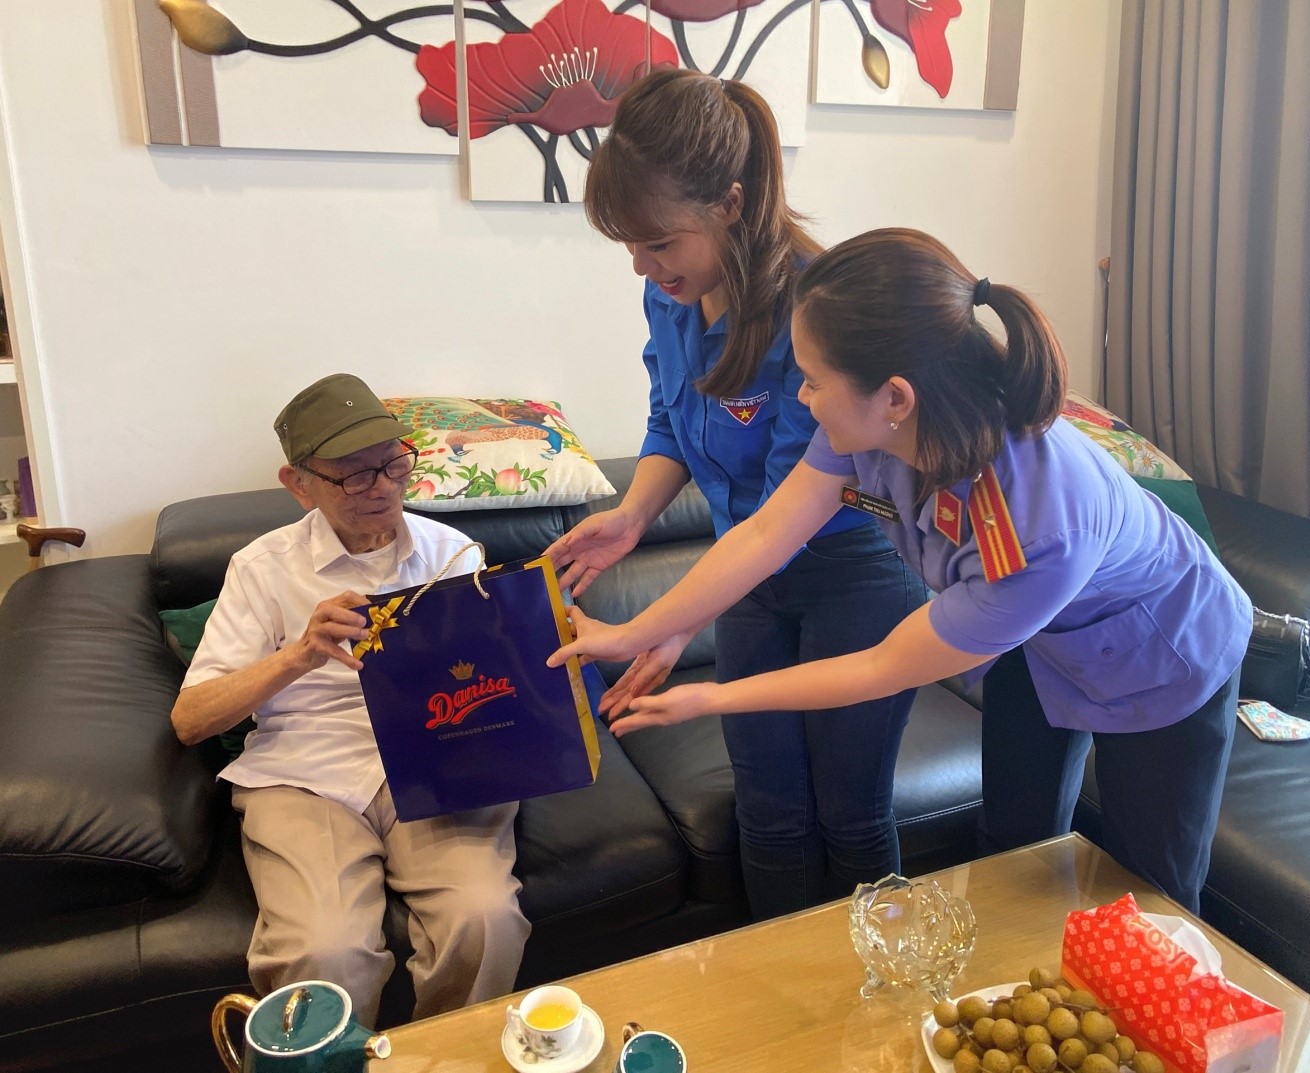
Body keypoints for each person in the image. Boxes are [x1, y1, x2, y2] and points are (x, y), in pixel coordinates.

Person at [551, 228, 1254, 914]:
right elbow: (765, 534)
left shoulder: (1040, 527)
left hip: (1162, 651)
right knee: (1015, 856)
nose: (802, 398)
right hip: (1038, 645)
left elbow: (879, 667)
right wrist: (635, 632)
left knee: (1149, 900)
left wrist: (711, 698)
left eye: (813, 381)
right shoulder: (867, 429)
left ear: (894, 396)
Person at [546, 70, 926, 919]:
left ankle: (872, 988)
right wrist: (633, 515)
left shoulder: (818, 310)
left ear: (730, 203)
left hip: (851, 576)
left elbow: (784, 515)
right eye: (629, 246)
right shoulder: (668, 297)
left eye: (658, 242)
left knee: (850, 810)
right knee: (769, 808)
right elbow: (671, 419)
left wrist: (670, 619)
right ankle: (782, 987)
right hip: (748, 577)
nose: (642, 266)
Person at [170, 373, 529, 1026]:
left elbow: (495, 682)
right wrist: (297, 655)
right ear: (299, 483)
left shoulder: (452, 554)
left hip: (434, 760)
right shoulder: (262, 568)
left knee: (486, 919)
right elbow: (191, 719)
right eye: (356, 475)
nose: (383, 487)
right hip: (305, 773)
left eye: (393, 464)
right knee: (325, 952)